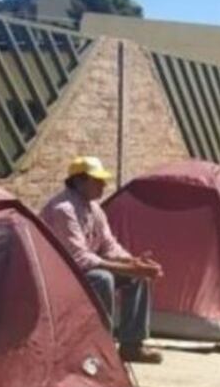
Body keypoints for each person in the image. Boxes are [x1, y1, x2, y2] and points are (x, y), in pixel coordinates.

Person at [41, 156, 164, 364]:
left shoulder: (94, 208)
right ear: (80, 181)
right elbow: (78, 258)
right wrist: (129, 268)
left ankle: (131, 345)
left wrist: (134, 263)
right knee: (102, 278)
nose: (103, 185)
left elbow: (108, 245)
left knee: (138, 278)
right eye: (97, 181)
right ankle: (98, 345)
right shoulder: (63, 209)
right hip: (59, 274)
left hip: (85, 268)